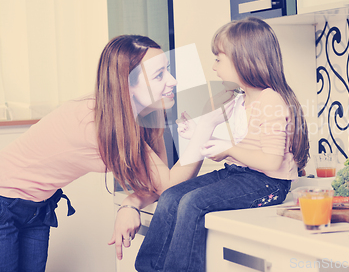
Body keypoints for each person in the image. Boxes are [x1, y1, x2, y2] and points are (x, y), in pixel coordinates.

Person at [0, 35, 218, 271]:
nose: (173, 81)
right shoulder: (98, 123)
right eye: (159, 75)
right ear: (127, 84)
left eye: (168, 70)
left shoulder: (147, 113)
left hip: (37, 209)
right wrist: (203, 132)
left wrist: (130, 203)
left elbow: (159, 184)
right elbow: (166, 185)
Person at [135, 17, 310, 272]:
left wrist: (228, 149)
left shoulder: (270, 100)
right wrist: (200, 133)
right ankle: (148, 269)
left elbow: (271, 161)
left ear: (243, 59)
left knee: (192, 202)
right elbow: (239, 144)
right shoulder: (239, 99)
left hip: (267, 184)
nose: (214, 66)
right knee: (172, 195)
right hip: (238, 174)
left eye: (219, 58)